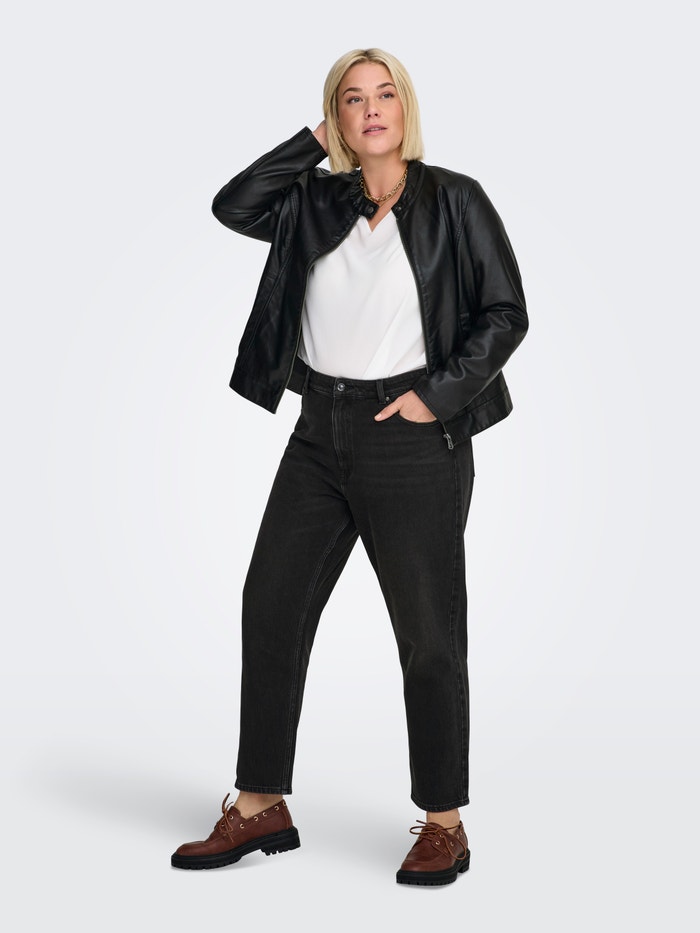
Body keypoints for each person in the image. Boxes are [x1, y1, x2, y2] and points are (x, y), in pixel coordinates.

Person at [171, 47, 527, 886]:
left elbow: (505, 311)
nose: (371, 109)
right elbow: (233, 204)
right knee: (271, 602)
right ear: (337, 116)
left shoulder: (455, 199)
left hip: (411, 436)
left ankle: (444, 822)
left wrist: (436, 396)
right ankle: (261, 803)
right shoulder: (313, 200)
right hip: (317, 430)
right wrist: (311, 143)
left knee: (428, 632)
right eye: (352, 99)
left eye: (384, 94)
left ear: (406, 108)